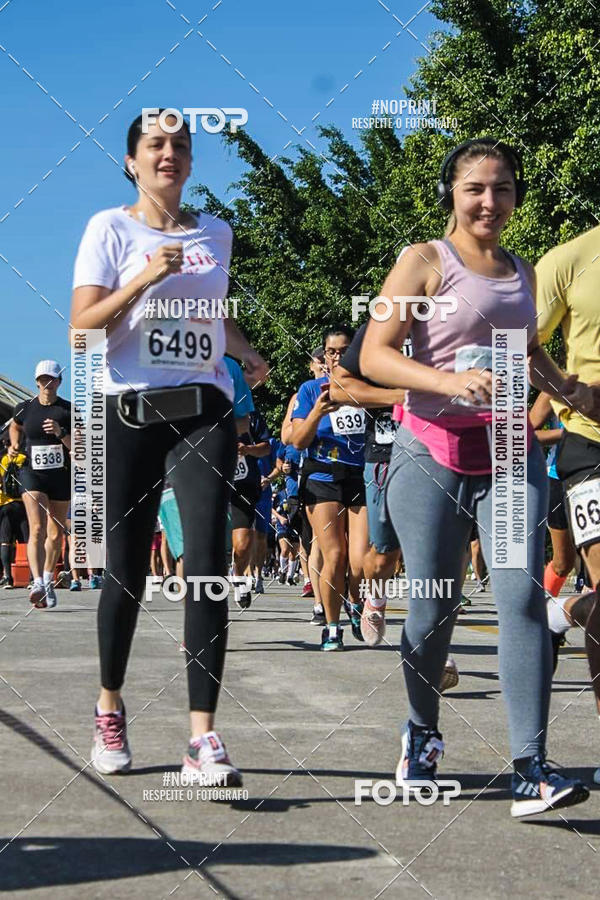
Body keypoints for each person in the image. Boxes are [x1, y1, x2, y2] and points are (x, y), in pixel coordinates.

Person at [361, 137, 591, 816]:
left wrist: (569, 390)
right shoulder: (423, 262)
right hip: (430, 451)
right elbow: (375, 354)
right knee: (434, 606)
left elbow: (527, 346)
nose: (490, 201)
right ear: (451, 196)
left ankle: (531, 768)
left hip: (510, 451)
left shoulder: (522, 270)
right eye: (475, 189)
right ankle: (423, 734)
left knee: (520, 598)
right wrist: (446, 379)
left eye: (503, 188)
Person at [70, 109, 268, 784]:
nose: (169, 154)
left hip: (201, 409)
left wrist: (245, 351)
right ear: (131, 161)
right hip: (127, 412)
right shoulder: (109, 228)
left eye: (181, 146)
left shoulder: (217, 232)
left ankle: (202, 739)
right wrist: (146, 276)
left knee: (208, 560)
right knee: (125, 571)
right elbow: (83, 329)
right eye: (155, 145)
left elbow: (209, 312)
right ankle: (108, 707)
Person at [536, 224, 600, 729]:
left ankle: (560, 612)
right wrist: (569, 392)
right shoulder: (570, 258)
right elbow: (517, 344)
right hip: (590, 442)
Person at [291, 324, 369, 651]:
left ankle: (354, 603)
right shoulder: (310, 389)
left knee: (360, 559)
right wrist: (318, 412)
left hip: (360, 476)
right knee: (333, 555)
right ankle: (332, 627)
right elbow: (297, 440)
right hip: (321, 477)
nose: (336, 357)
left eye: (343, 351)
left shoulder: (368, 387)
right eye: (331, 351)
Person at [9, 361, 71, 609]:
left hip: (60, 476)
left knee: (56, 533)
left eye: (52, 379)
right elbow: (15, 425)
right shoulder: (24, 408)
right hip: (32, 474)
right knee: (37, 528)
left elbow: (80, 448)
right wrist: (14, 444)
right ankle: (36, 583)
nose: (47, 383)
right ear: (36, 381)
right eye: (43, 379)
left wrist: (61, 433)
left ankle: (47, 581)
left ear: (59, 382)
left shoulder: (68, 410)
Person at [230, 407, 271, 608]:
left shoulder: (251, 414)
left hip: (243, 487)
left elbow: (266, 447)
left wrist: (246, 450)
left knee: (244, 543)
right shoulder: (207, 407)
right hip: (211, 485)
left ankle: (238, 578)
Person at [0, 432, 28, 589]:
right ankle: (32, 578)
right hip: (23, 503)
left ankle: (8, 577)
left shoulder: (2, 460)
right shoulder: (24, 459)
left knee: (5, 540)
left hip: (5, 504)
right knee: (28, 540)